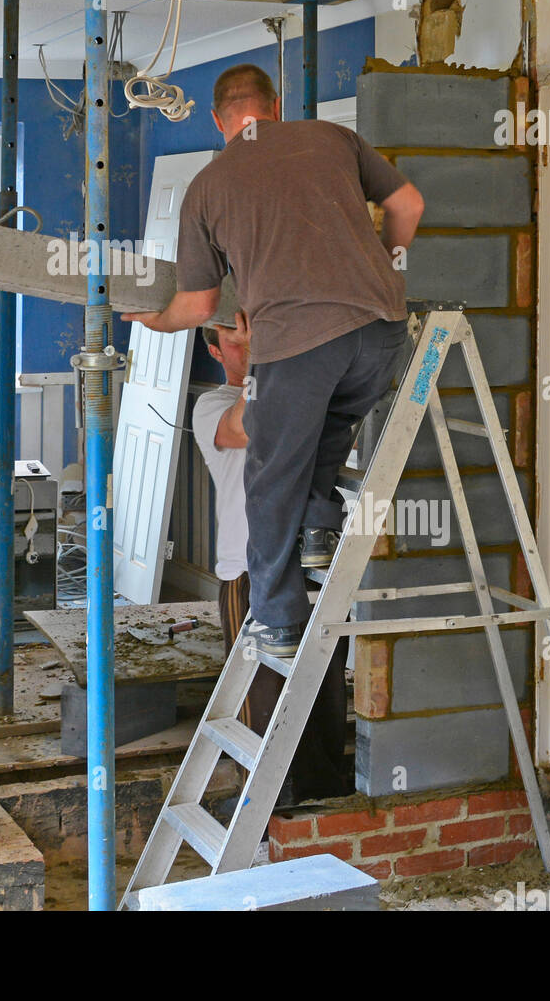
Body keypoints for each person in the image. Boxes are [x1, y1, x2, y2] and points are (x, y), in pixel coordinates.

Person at [124, 63, 423, 658]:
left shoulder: (208, 186)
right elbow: (409, 204)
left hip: (301, 346)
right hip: (384, 333)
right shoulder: (333, 139)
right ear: (276, 106)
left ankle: (280, 622)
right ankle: (317, 527)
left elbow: (199, 303)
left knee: (269, 478)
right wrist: (386, 264)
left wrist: (152, 321)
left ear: (218, 120)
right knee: (323, 439)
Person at [193, 319, 349, 799]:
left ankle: (318, 820)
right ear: (217, 354)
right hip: (250, 574)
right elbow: (247, 427)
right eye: (237, 343)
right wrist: (271, 357)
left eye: (255, 337)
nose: (249, 348)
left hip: (311, 569)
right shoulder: (212, 405)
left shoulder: (300, 402)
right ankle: (266, 829)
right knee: (263, 706)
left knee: (322, 696)